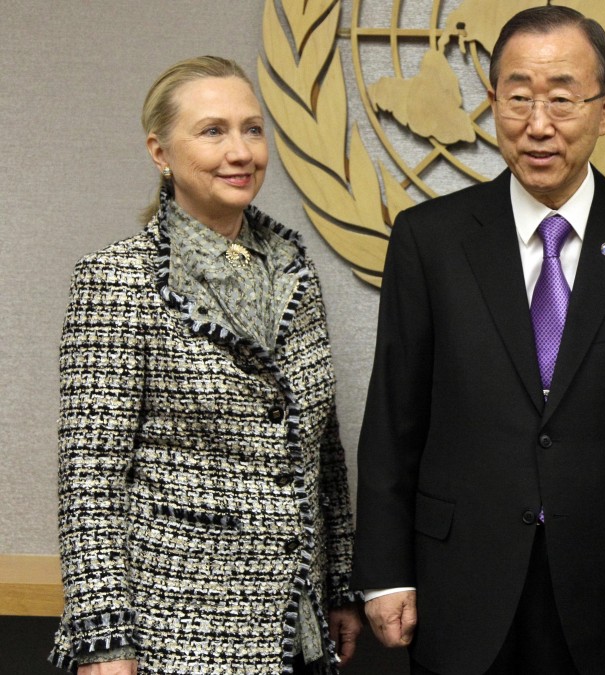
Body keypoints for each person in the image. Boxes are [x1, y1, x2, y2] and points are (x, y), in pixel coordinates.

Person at [351, 6, 605, 675]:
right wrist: (383, 572)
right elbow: (392, 422)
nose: (538, 123)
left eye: (561, 97)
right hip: (459, 580)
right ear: (493, 104)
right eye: (518, 97)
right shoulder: (429, 241)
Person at [50, 56, 361, 675]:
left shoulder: (295, 273)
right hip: (173, 629)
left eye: (252, 129)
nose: (240, 151)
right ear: (159, 152)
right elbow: (90, 481)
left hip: (293, 625)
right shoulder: (119, 280)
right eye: (212, 131)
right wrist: (105, 642)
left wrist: (340, 584)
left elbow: (321, 448)